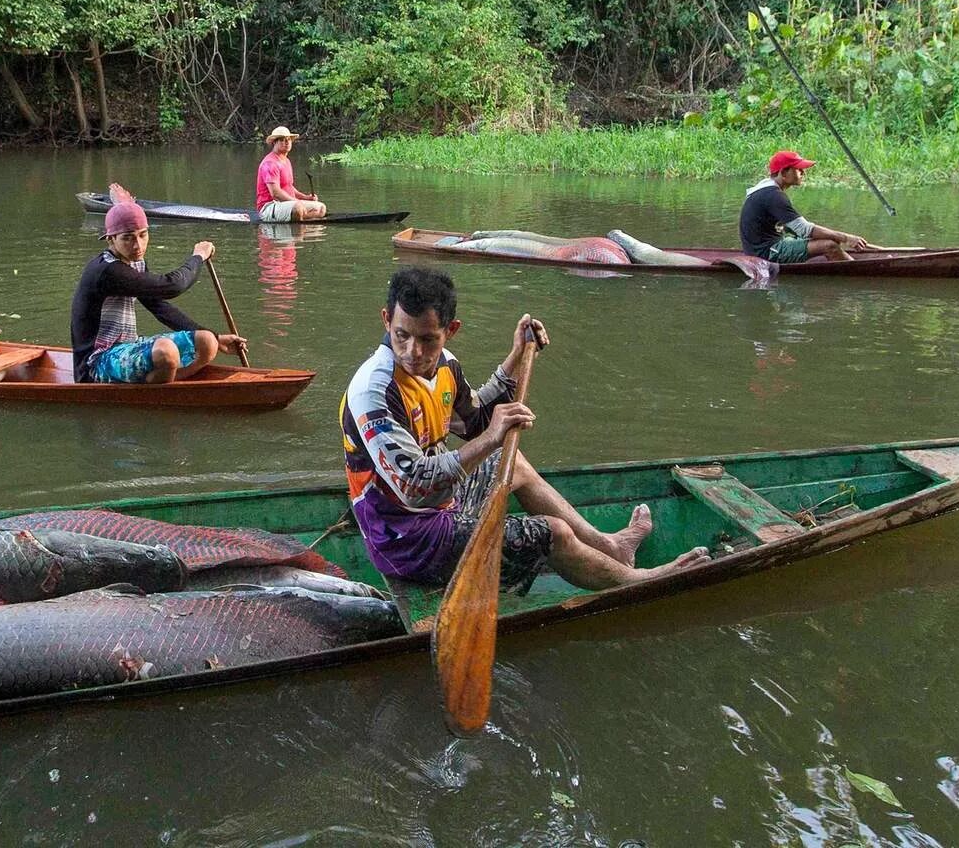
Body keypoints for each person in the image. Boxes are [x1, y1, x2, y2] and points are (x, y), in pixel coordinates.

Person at [339, 266, 709, 591]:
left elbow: (474, 419)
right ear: (387, 320)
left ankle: (610, 547)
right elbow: (414, 487)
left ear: (450, 331)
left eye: (427, 339)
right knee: (554, 533)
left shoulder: (445, 366)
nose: (413, 352)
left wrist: (516, 357)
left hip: (441, 506)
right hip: (406, 538)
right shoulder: (376, 390)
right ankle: (638, 581)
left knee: (510, 461)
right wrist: (490, 437)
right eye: (402, 335)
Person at [71, 197, 247, 383]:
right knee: (166, 352)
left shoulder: (135, 263)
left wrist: (217, 337)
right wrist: (198, 257)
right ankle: (162, 387)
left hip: (129, 346)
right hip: (97, 362)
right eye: (127, 238)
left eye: (142, 235)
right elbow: (173, 286)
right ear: (111, 240)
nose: (138, 245)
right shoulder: (107, 270)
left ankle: (167, 380)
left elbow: (158, 306)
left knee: (207, 341)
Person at [740, 150, 870, 263]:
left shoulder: (766, 189)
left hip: (765, 246)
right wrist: (847, 238)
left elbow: (795, 228)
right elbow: (805, 229)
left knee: (824, 237)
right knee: (829, 245)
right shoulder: (773, 195)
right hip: (765, 253)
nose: (803, 173)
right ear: (783, 173)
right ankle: (856, 271)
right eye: (798, 169)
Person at [256, 126, 327, 222]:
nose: (287, 142)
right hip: (269, 206)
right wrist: (296, 202)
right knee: (297, 208)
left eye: (288, 139)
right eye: (282, 140)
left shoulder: (286, 161)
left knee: (321, 208)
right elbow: (275, 193)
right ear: (274, 143)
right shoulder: (270, 163)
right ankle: (298, 223)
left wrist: (306, 197)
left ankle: (299, 221)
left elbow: (288, 186)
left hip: (288, 204)